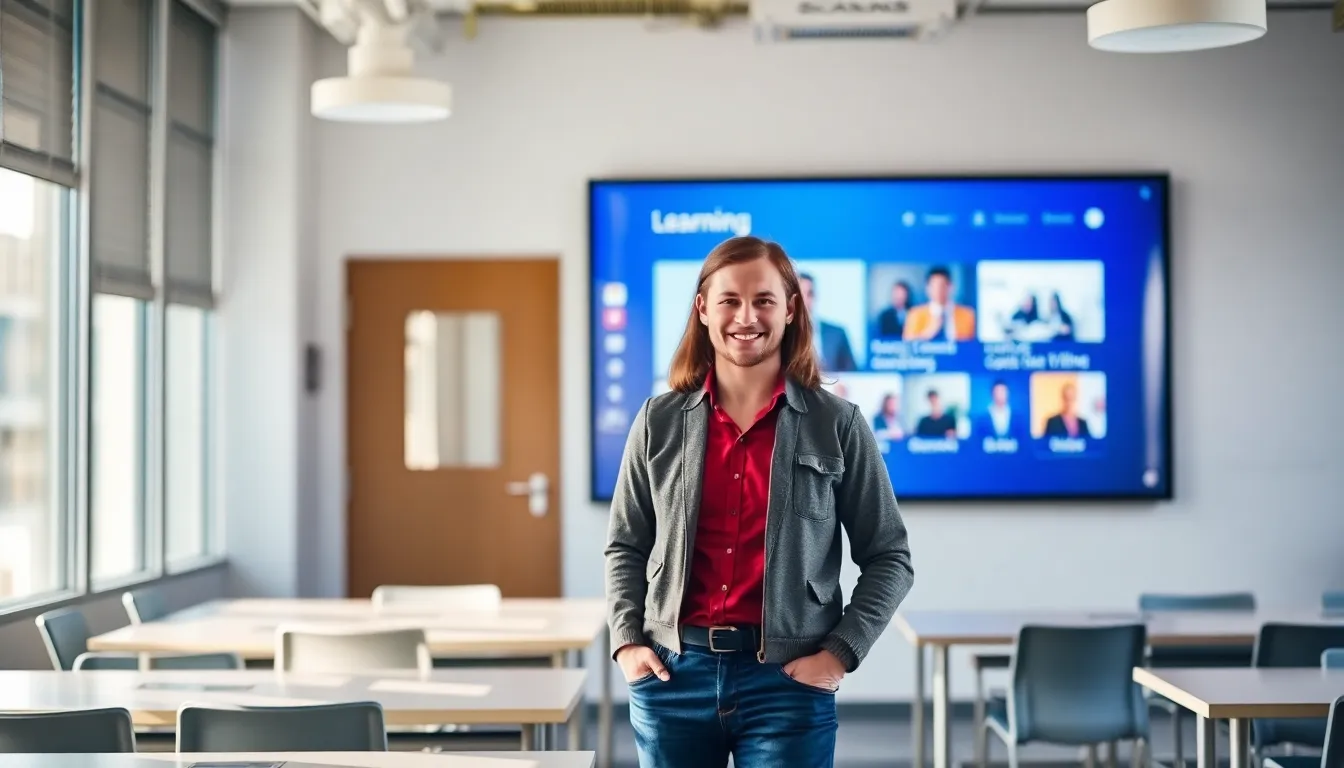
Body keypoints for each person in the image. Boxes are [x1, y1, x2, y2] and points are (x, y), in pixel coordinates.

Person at [605, 236, 914, 768]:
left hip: (788, 686)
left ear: (790, 309)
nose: (746, 317)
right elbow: (625, 546)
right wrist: (628, 642)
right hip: (672, 679)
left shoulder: (838, 424)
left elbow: (891, 556)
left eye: (764, 300)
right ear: (703, 309)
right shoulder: (658, 420)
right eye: (729, 300)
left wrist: (840, 653)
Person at [798, 272, 857, 372]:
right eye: (800, 295)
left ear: (816, 296)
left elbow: (853, 374)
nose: (805, 301)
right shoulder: (781, 335)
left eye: (810, 294)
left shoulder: (837, 334)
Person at [902, 266, 976, 342]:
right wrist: (928, 333)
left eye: (942, 285)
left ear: (951, 287)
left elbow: (974, 344)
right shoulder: (915, 314)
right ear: (927, 288)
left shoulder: (968, 315)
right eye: (934, 286)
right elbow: (907, 345)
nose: (938, 290)